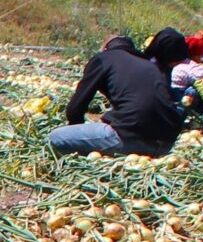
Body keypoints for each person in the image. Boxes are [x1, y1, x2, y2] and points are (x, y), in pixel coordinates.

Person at [51, 34, 185, 155]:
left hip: (129, 139)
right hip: (166, 144)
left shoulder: (104, 58)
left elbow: (75, 108)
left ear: (105, 48)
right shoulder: (148, 65)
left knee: (56, 137)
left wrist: (76, 127)